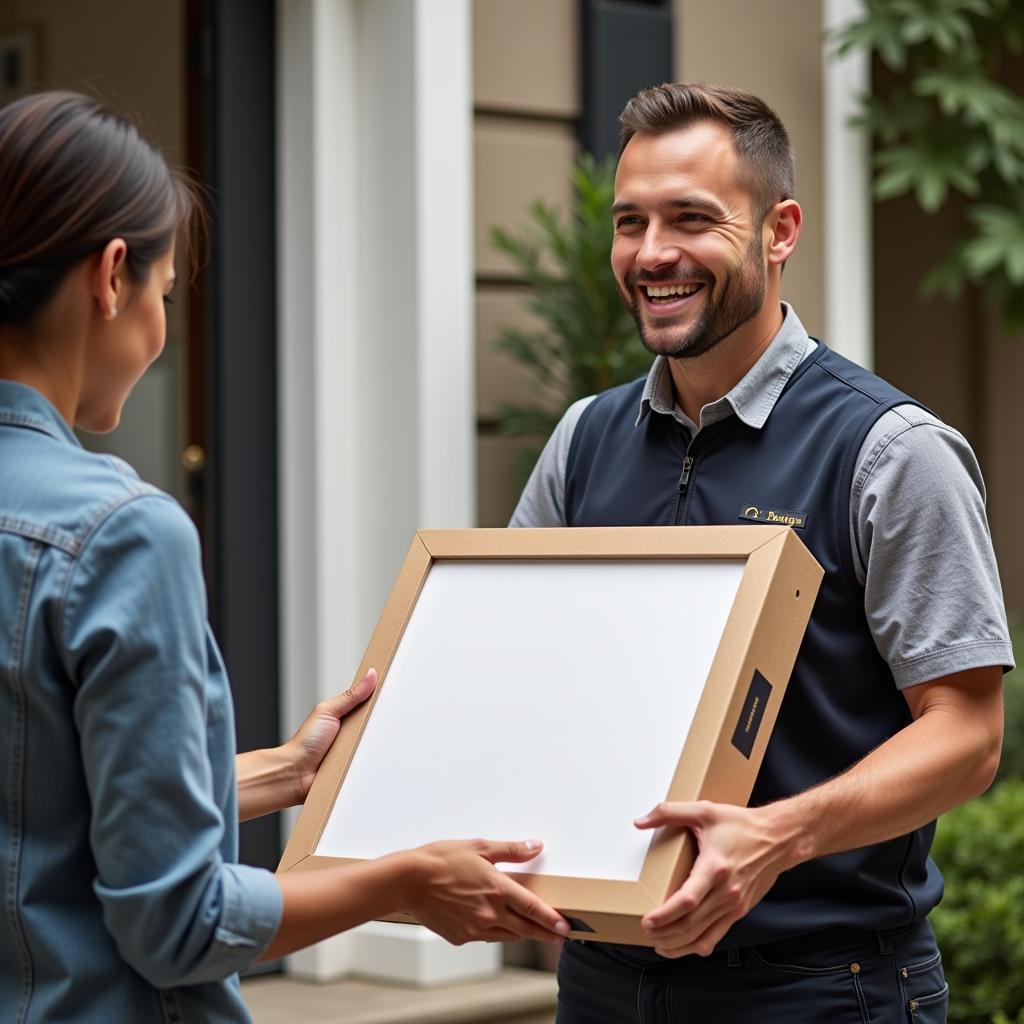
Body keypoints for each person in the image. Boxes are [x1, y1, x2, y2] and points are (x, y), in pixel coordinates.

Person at [0, 91, 568, 1024]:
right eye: (168, 292)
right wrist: (401, 883)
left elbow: (43, 803)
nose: (161, 328)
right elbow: (177, 923)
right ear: (111, 278)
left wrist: (287, 772)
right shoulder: (119, 532)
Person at [510, 82, 1010, 1022]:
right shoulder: (583, 440)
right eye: (630, 222)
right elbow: (522, 669)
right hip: (606, 983)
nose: (651, 253)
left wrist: (778, 836)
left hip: (825, 989)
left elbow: (968, 735)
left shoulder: (891, 451)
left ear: (780, 230)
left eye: (690, 219)